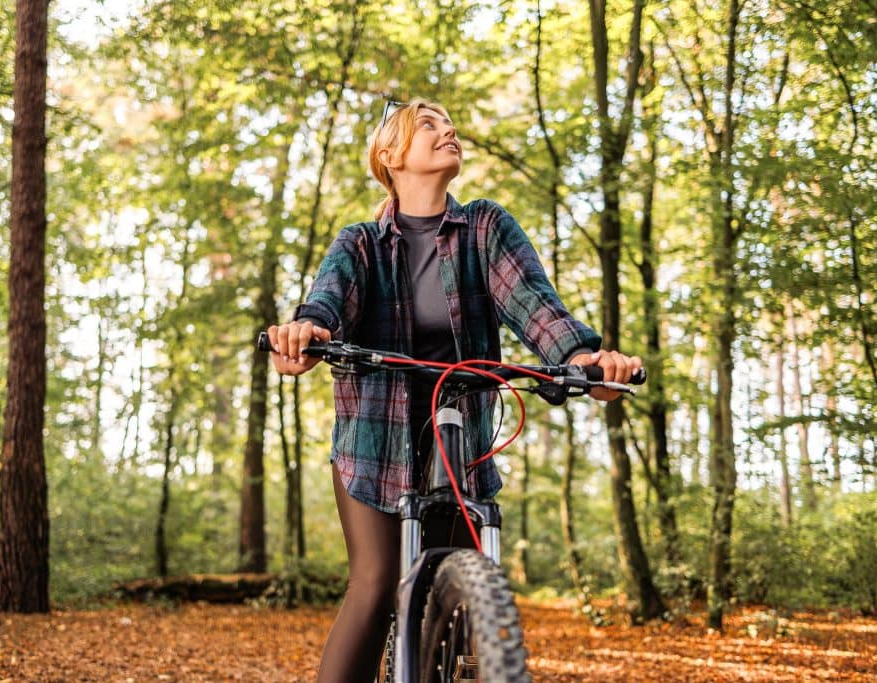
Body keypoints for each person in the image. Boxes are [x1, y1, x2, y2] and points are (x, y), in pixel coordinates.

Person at [267, 98, 642, 683]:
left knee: (461, 604)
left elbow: (535, 308)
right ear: (390, 156)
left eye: (451, 125)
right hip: (373, 448)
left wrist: (582, 361)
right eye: (430, 126)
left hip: (462, 447)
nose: (450, 133)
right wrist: (305, 333)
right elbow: (327, 303)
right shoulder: (361, 243)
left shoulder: (485, 228)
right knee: (374, 585)